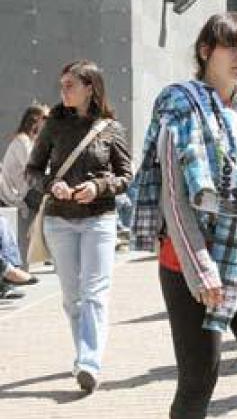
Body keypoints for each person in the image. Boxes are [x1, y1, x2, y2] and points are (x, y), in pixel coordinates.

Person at [131, 12, 237, 418]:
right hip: (191, 260)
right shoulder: (180, 104)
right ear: (206, 51)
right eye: (232, 47)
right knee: (199, 380)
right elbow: (174, 195)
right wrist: (200, 268)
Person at [27, 60, 132, 393]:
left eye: (70, 84)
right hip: (59, 220)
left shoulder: (111, 129)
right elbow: (32, 170)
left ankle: (89, 362)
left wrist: (98, 187)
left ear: (90, 87)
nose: (63, 90)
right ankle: (84, 354)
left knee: (95, 293)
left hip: (99, 219)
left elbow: (126, 176)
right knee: (73, 296)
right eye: (62, 85)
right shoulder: (53, 125)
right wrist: (51, 185)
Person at [0, 104, 49, 261]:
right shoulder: (22, 141)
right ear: (35, 121)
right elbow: (33, 169)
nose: (49, 123)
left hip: (26, 190)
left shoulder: (30, 141)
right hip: (19, 193)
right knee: (56, 203)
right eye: (45, 118)